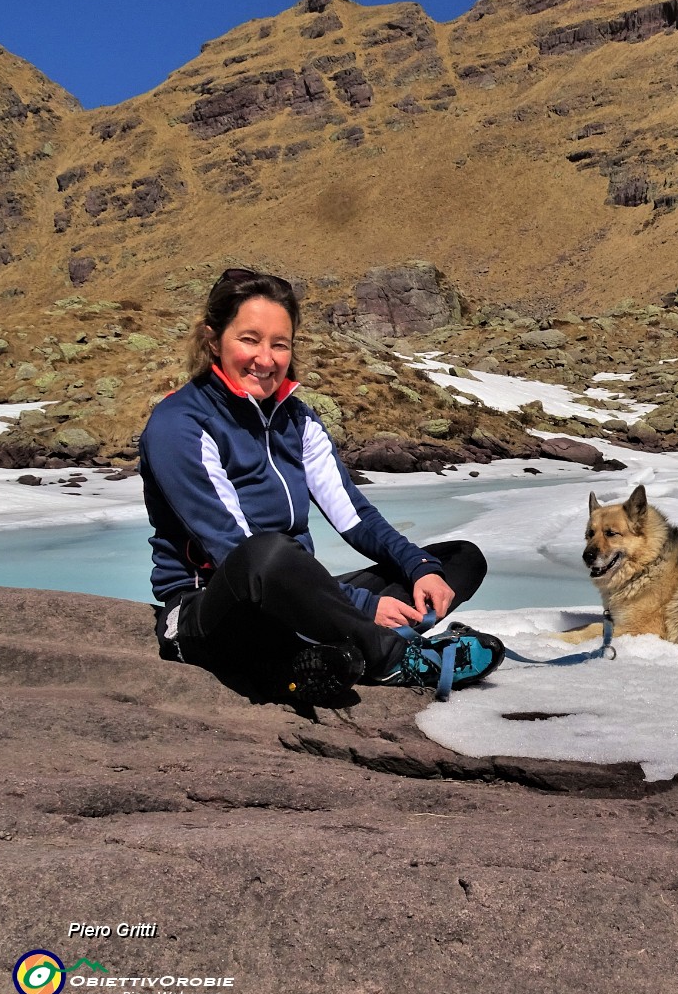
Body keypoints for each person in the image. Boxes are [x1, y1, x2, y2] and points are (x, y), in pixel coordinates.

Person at [140, 267, 500, 706]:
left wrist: (419, 566)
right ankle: (393, 658)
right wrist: (364, 607)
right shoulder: (181, 424)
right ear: (214, 340)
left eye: (280, 344)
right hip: (214, 610)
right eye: (249, 339)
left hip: (298, 599)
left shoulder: (297, 420)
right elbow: (236, 550)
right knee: (267, 554)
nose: (266, 359)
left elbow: (355, 517)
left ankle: (336, 649)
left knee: (457, 560)